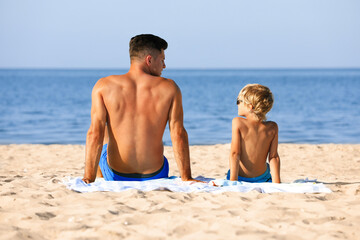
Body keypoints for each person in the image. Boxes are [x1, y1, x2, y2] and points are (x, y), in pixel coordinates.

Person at [82, 34, 197, 183]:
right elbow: (178, 134)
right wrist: (186, 177)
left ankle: (98, 176)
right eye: (162, 60)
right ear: (149, 60)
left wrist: (87, 179)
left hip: (116, 174)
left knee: (101, 129)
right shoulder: (170, 88)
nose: (164, 66)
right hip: (156, 174)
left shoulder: (103, 86)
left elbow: (93, 134)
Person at [228, 84, 281, 183]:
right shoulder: (272, 127)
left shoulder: (238, 122)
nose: (237, 104)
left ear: (250, 107)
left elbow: (235, 153)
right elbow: (273, 157)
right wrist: (277, 183)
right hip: (263, 178)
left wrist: (233, 181)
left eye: (239, 101)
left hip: (240, 177)